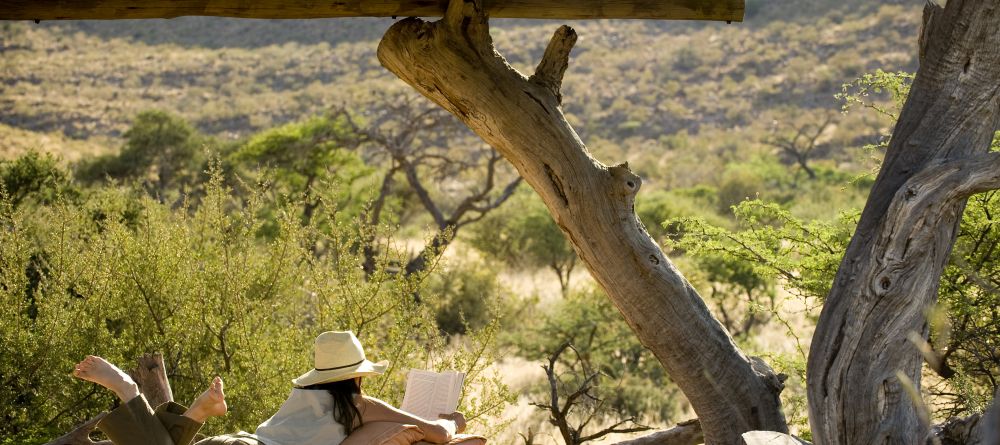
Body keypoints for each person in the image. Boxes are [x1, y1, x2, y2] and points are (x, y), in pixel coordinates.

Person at [72, 331, 467, 445]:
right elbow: (432, 432)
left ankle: (195, 416)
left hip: (234, 441)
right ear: (358, 375)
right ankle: (128, 390)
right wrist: (452, 421)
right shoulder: (362, 405)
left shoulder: (303, 396)